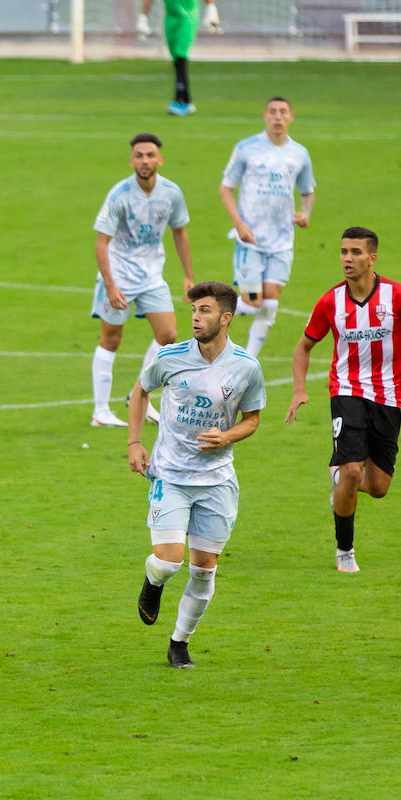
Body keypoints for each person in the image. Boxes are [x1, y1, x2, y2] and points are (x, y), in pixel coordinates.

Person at [285, 227, 401, 573]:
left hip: (388, 396)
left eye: (355, 252)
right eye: (343, 252)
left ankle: (339, 482)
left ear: (372, 258)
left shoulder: (398, 296)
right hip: (347, 391)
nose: (347, 259)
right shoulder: (330, 301)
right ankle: (345, 550)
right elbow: (304, 346)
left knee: (379, 487)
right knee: (353, 470)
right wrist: (299, 389)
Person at [128, 281, 264, 669]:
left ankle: (179, 643)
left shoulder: (246, 368)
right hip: (170, 475)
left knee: (204, 572)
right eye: (193, 310)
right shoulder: (170, 357)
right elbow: (141, 391)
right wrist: (134, 444)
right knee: (169, 562)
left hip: (217, 482)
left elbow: (253, 419)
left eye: (204, 311)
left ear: (225, 318)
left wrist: (226, 435)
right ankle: (152, 583)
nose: (195, 317)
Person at [90, 133, 195, 428]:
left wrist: (188, 275)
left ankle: (139, 395)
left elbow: (179, 232)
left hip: (151, 275)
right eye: (139, 155)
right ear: (131, 160)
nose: (145, 160)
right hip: (119, 275)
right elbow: (101, 242)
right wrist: (110, 285)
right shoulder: (119, 194)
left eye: (150, 155)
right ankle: (100, 411)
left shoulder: (171, 193)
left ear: (160, 159)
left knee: (168, 335)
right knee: (111, 339)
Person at [219, 96, 316, 357]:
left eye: (283, 112)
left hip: (282, 240)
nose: (277, 116)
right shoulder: (246, 148)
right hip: (250, 239)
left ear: (291, 117)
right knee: (252, 304)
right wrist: (238, 224)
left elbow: (307, 192)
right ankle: (213, 306)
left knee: (270, 305)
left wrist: (305, 214)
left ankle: (248, 363)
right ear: (265, 116)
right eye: (272, 112)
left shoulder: (300, 154)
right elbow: (226, 188)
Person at [136, 0, 219, 117]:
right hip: (170, 17)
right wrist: (142, 17)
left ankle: (178, 100)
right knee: (176, 60)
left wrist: (211, 8)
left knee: (181, 56)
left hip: (188, 16)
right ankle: (187, 101)